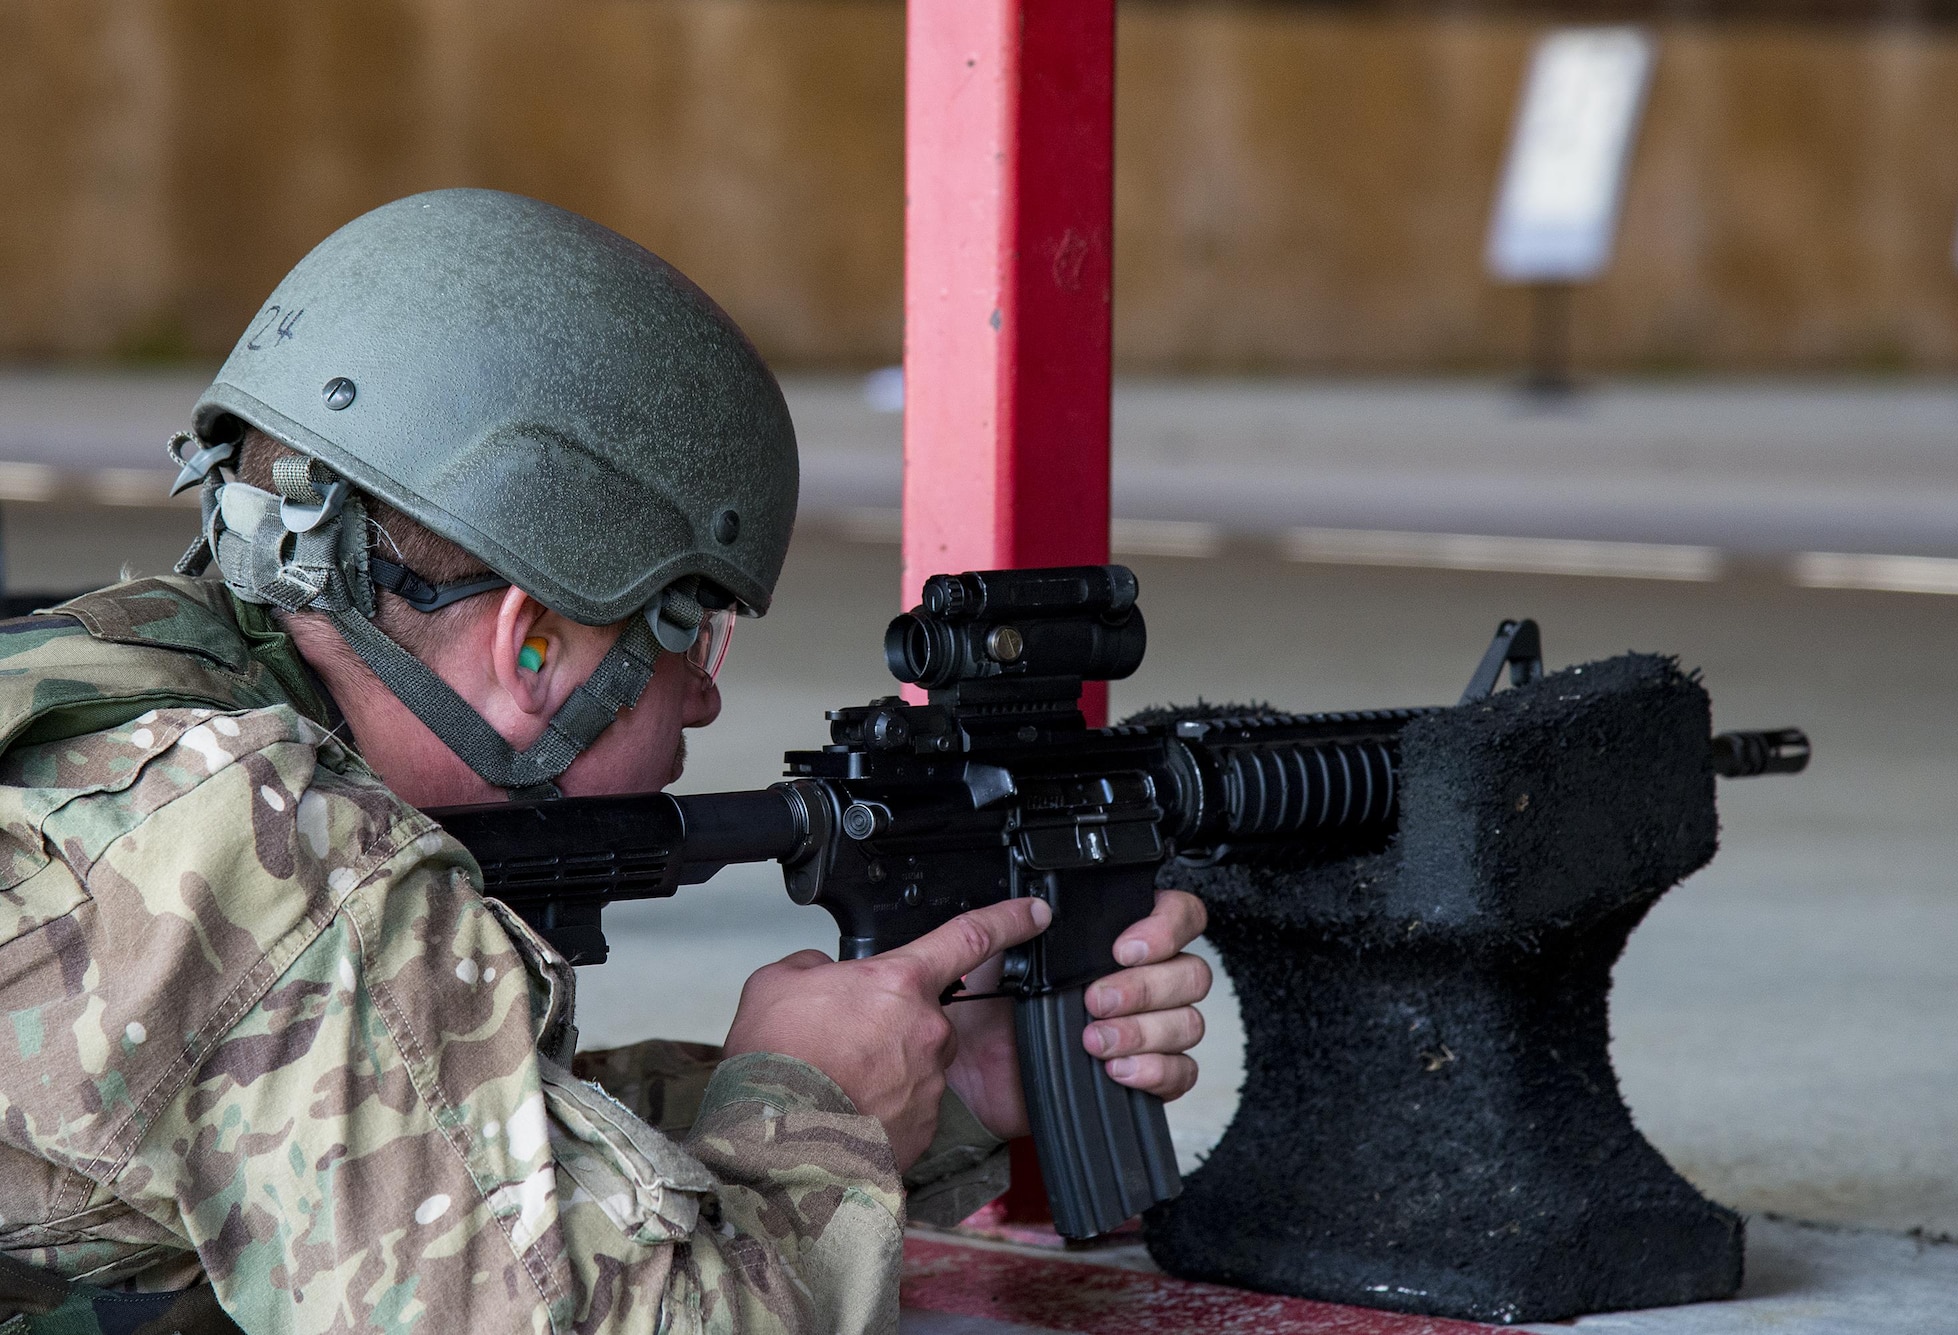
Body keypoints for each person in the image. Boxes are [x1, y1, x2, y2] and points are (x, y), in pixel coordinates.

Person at [0, 190, 1211, 1335]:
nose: (704, 689)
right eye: (690, 627)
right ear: (530, 643)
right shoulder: (273, 868)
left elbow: (423, 1166)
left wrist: (945, 1086)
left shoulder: (127, 715)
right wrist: (811, 1115)